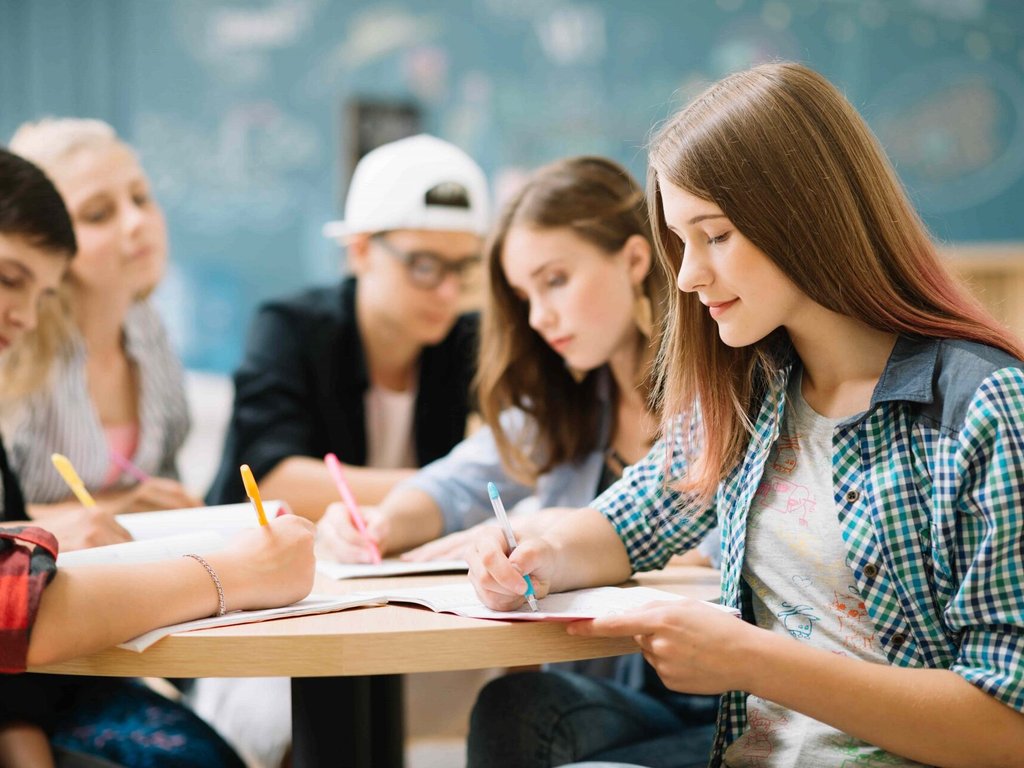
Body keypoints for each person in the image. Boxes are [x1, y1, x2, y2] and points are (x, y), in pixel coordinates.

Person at [465, 61, 1024, 768]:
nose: (690, 275)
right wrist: (539, 557)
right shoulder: (752, 389)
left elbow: (1010, 726)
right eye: (681, 242)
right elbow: (627, 522)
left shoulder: (982, 406)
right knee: (521, 711)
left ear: (807, 216)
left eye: (715, 235)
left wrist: (752, 661)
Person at [316, 156, 719, 767]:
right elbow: (455, 483)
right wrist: (382, 524)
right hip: (630, 694)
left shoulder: (719, 388)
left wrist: (542, 529)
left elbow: (709, 556)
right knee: (514, 705)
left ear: (636, 261)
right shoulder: (569, 401)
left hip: (731, 694)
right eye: (525, 295)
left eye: (555, 280)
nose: (539, 317)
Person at [0, 146, 317, 768]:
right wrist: (236, 572)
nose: (23, 315)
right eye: (11, 281)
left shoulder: (151, 337)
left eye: (142, 199)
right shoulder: (25, 376)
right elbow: (17, 603)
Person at [206, 133, 488, 519]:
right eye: (425, 266)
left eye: (464, 268)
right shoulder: (291, 327)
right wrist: (449, 488)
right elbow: (268, 482)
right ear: (360, 250)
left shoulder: (466, 339)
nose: (448, 292)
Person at [4, 118, 198, 535]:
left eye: (141, 198)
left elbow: (166, 473)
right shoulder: (11, 339)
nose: (136, 223)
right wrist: (118, 509)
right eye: (98, 214)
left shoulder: (147, 327)